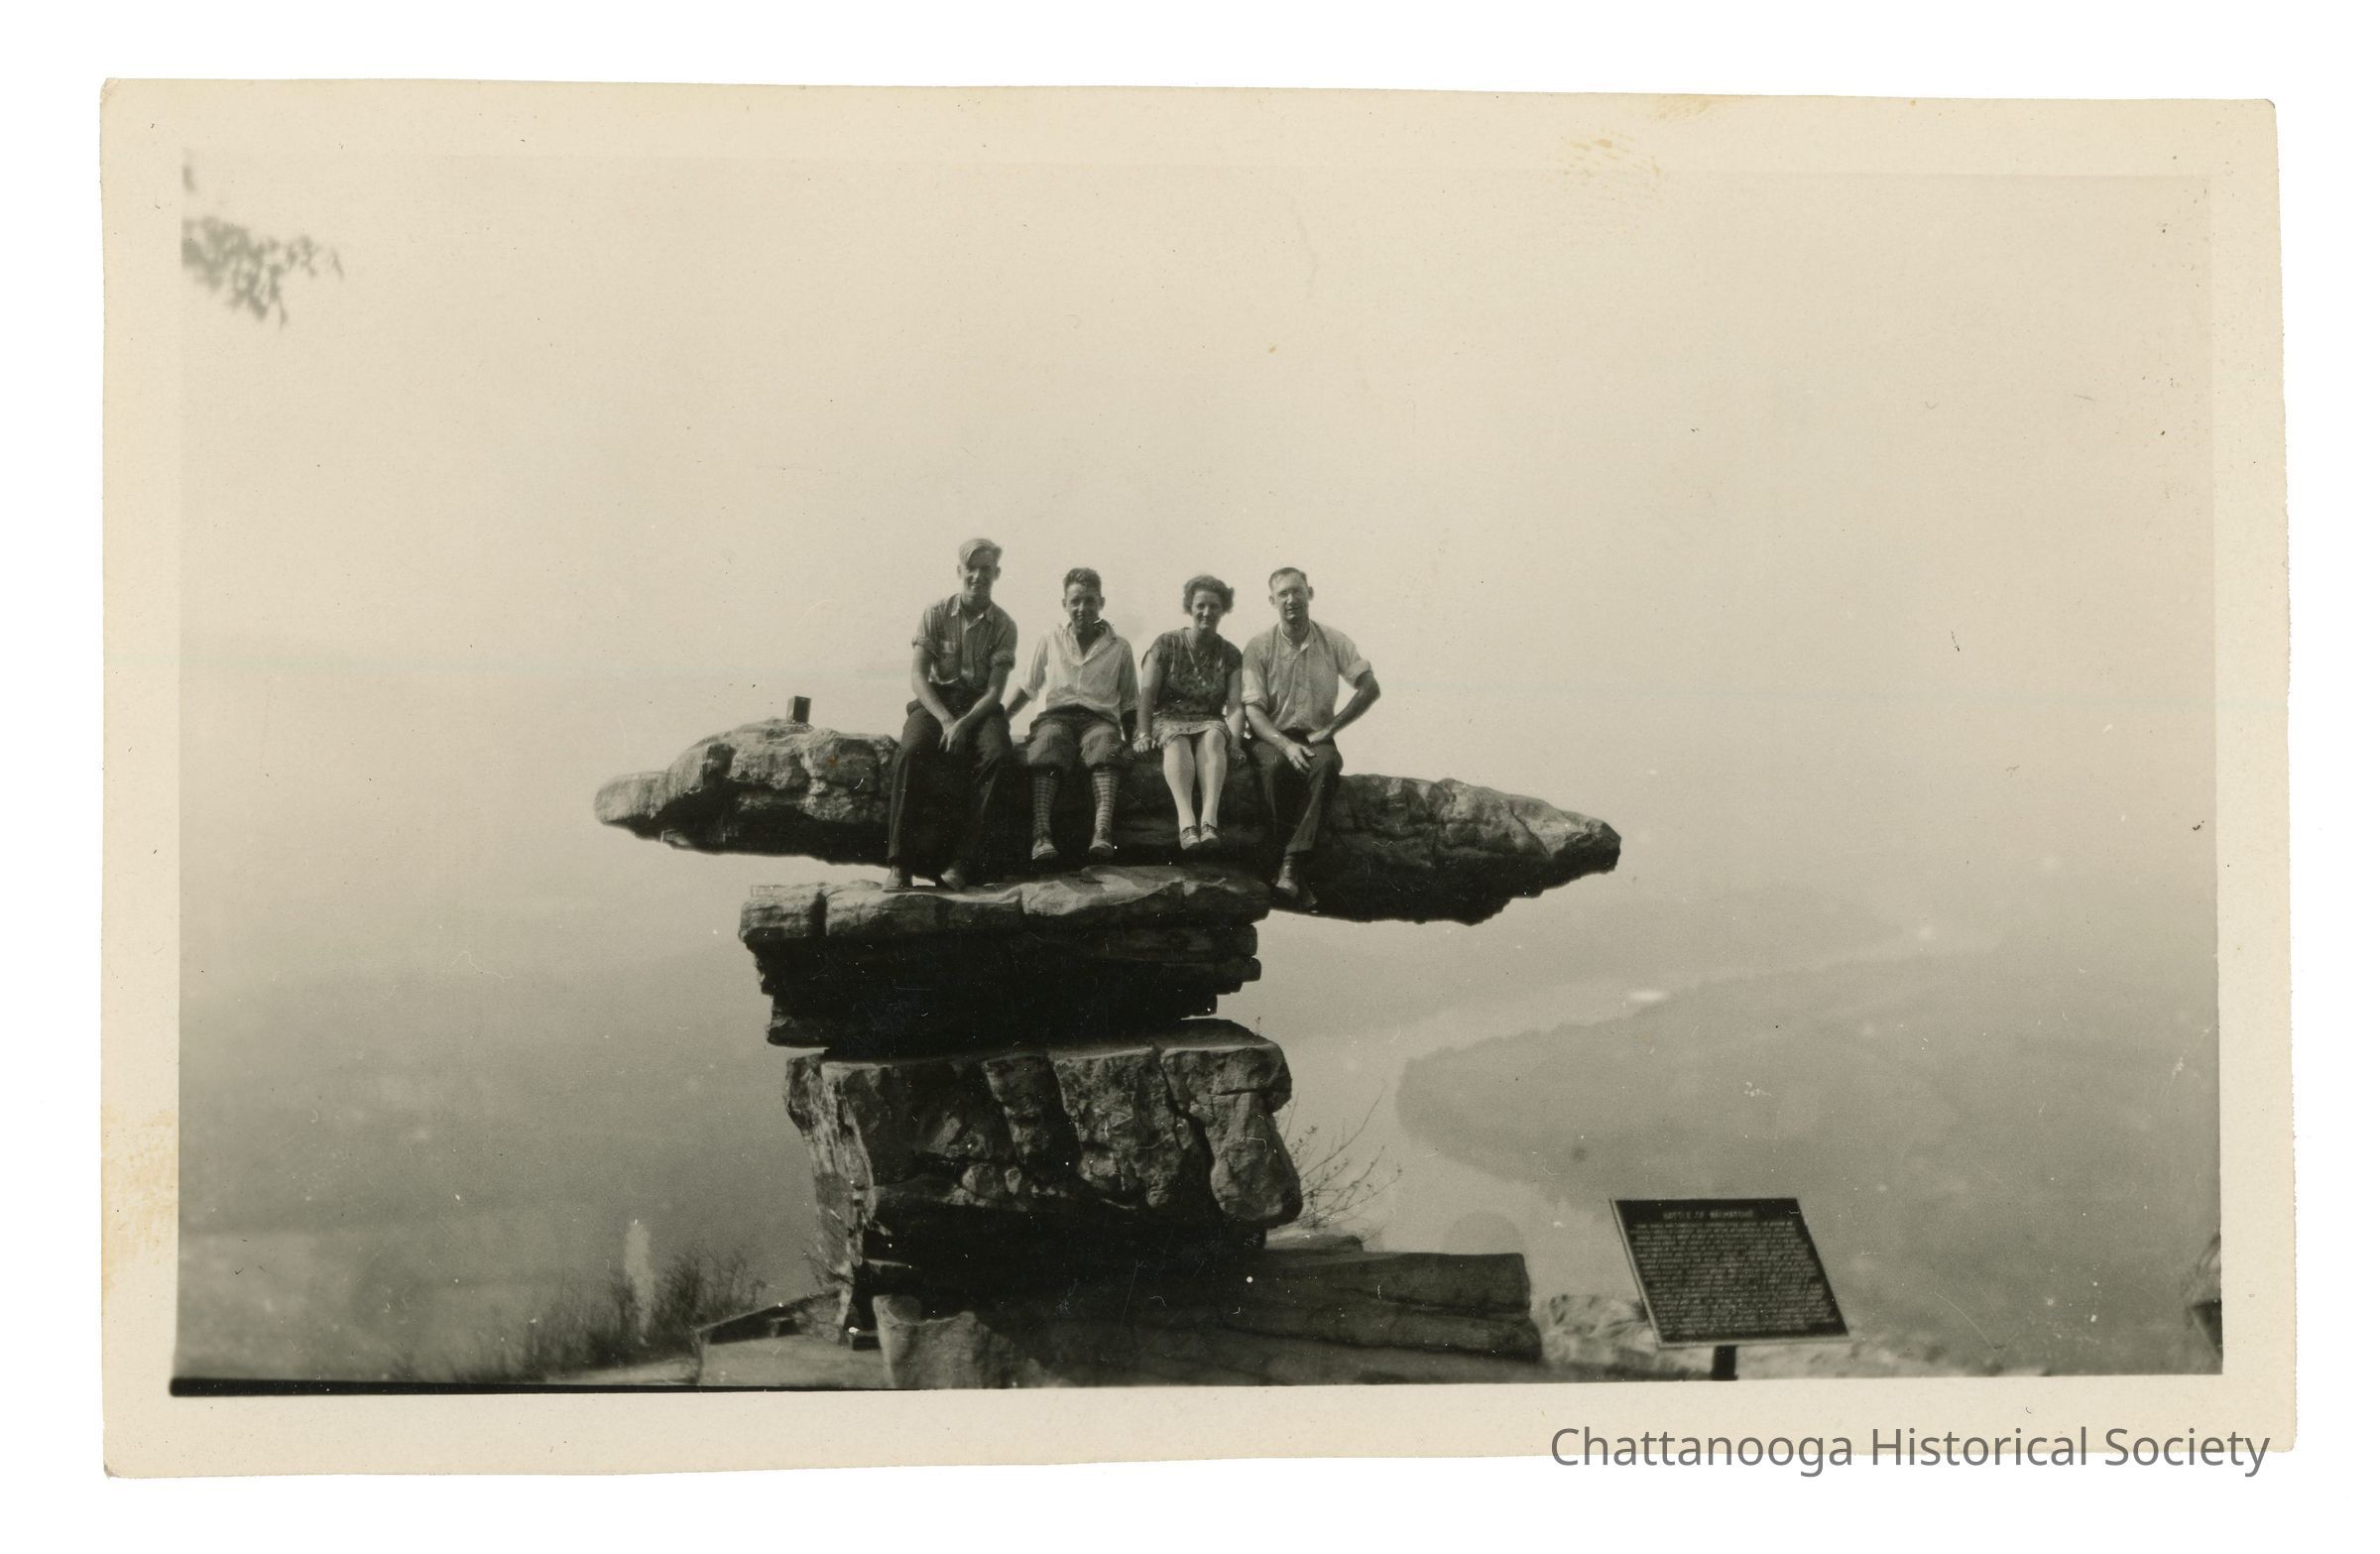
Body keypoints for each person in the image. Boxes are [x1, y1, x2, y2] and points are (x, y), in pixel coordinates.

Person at [1240, 566, 1381, 908]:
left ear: (1310, 594)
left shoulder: (1333, 640)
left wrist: (1331, 729)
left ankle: (1290, 865)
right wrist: (1285, 745)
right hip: (1271, 735)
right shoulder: (1259, 646)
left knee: (1327, 766)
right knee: (1276, 769)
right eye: (1283, 594)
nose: (1291, 600)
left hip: (1316, 735)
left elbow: (1369, 687)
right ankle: (1290, 871)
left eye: (1297, 591)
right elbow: (1253, 711)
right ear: (1272, 601)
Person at [885, 538, 1018, 892]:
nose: (978, 576)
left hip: (980, 707)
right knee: (912, 750)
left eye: (986, 569)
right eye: (971, 568)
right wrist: (946, 720)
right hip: (937, 700)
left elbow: (994, 691)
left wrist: (964, 724)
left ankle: (963, 863)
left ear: (997, 574)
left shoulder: (1004, 625)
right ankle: (899, 864)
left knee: (999, 755)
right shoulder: (936, 613)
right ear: (959, 570)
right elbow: (918, 676)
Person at [1006, 567, 1138, 866]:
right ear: (1064, 603)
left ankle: (1102, 832)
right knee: (1048, 743)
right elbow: (1028, 686)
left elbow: (1130, 702)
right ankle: (1041, 834)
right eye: (1076, 601)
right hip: (1055, 717)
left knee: (1106, 744)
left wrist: (1136, 739)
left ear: (1101, 603)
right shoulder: (1050, 638)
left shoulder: (1120, 647)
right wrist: (1002, 718)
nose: (1082, 608)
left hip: (1098, 720)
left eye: (1090, 601)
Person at [1134, 574, 1244, 853]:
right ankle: (1186, 823)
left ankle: (1209, 821)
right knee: (1177, 741)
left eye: (1214, 606)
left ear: (1223, 609)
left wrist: (1236, 742)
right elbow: (1147, 696)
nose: (1207, 612)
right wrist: (1143, 734)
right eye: (1201, 605)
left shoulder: (1231, 654)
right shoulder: (1165, 644)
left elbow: (1234, 705)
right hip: (1169, 718)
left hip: (1209, 719)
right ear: (1189, 607)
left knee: (1215, 737)